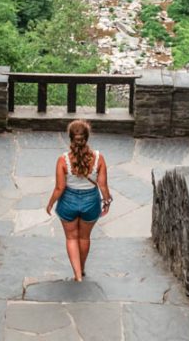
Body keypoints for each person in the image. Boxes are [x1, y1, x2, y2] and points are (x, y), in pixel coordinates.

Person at [46, 119, 112, 281]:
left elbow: (60, 188)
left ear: (70, 138)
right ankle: (81, 269)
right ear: (87, 137)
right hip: (91, 201)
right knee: (84, 238)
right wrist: (106, 202)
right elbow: (102, 186)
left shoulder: (63, 160)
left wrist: (50, 203)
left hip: (68, 201)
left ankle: (77, 274)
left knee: (71, 238)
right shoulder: (99, 158)